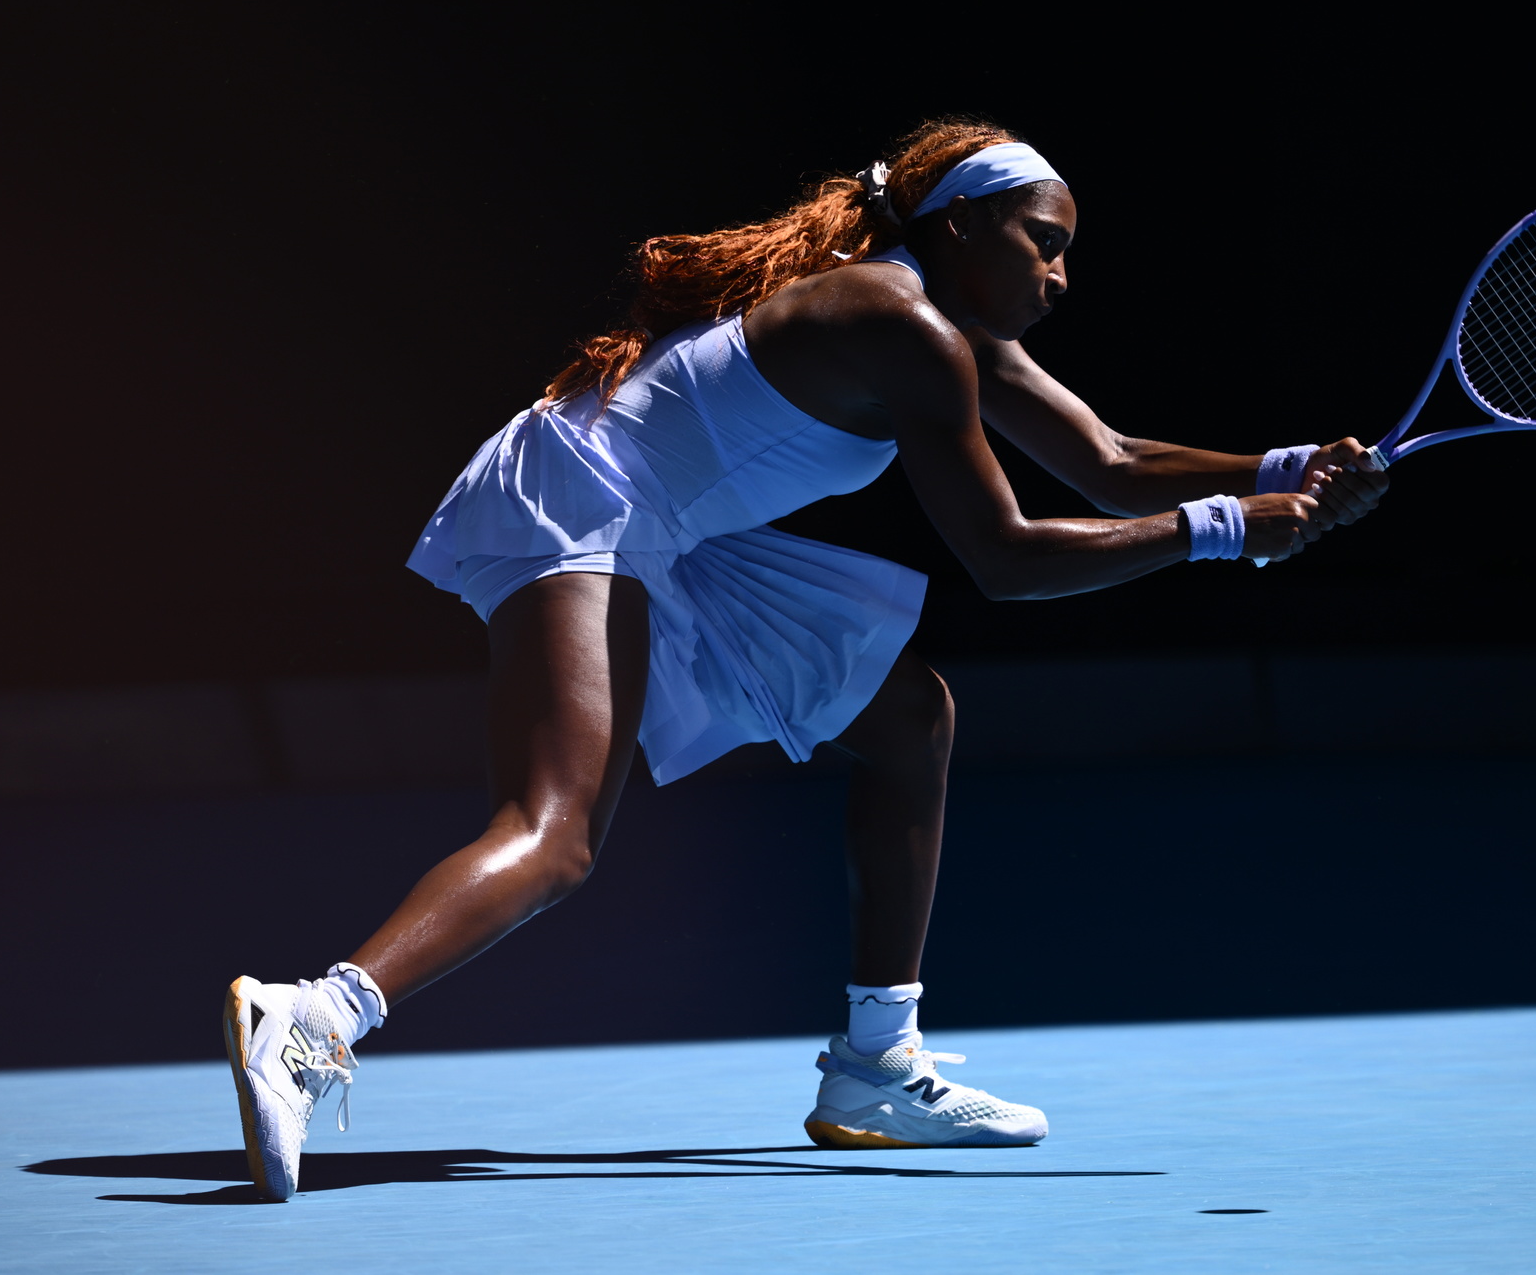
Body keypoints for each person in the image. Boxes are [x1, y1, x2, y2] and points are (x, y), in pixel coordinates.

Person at [221, 118, 1390, 1200]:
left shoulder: (943, 325)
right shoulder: (902, 327)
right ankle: (314, 1017)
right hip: (581, 501)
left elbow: (1112, 458)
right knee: (556, 832)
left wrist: (1289, 468)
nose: (1060, 276)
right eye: (1044, 244)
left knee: (906, 717)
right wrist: (1231, 530)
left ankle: (874, 1067)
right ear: (960, 226)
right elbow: (1008, 558)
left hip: (669, 531)